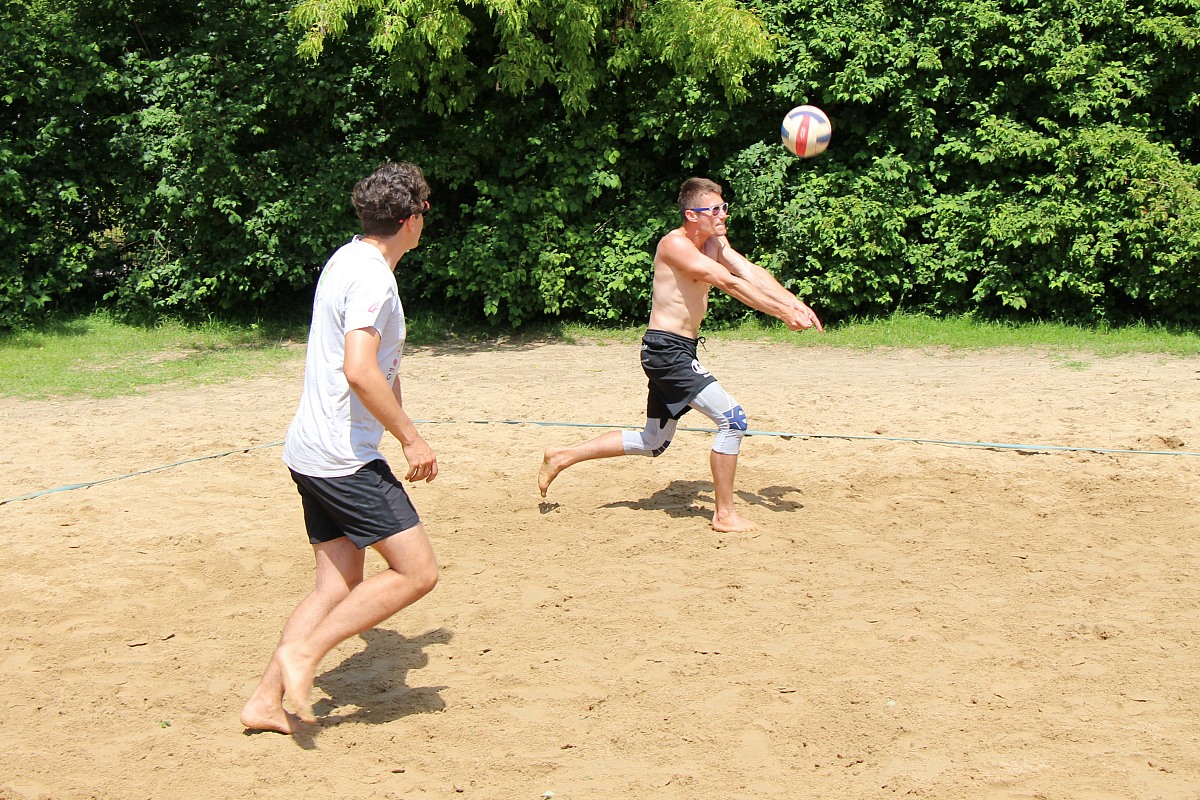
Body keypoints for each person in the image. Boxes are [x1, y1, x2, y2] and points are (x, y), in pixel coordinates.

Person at [240, 161, 440, 733]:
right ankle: (304, 653)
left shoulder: (347, 258)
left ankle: (264, 701)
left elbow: (379, 365)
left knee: (337, 583)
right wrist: (411, 437)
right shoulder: (374, 278)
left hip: (311, 450)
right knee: (418, 571)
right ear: (411, 219)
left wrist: (393, 416)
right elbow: (359, 369)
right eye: (425, 209)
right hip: (342, 459)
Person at [538, 177, 822, 533]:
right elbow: (729, 282)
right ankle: (724, 515)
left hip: (677, 349)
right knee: (733, 421)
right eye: (714, 209)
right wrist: (782, 314)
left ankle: (561, 455)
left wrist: (794, 303)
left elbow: (748, 272)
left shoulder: (714, 241)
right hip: (666, 351)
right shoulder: (675, 245)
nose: (723, 214)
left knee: (653, 441)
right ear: (692, 214)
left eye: (724, 207)